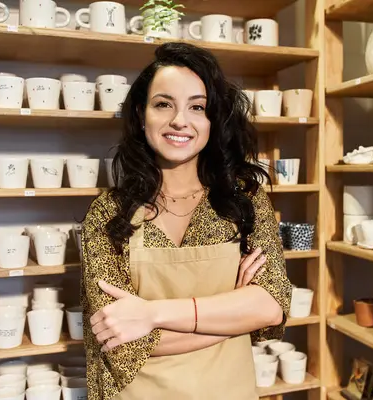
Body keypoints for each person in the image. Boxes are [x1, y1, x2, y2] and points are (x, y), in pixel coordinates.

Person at [81, 41, 292, 400]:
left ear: (214, 121)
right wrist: (236, 312)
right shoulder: (108, 214)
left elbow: (272, 306)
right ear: (140, 115)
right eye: (163, 104)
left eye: (198, 107)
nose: (180, 120)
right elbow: (117, 338)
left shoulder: (243, 202)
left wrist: (151, 314)